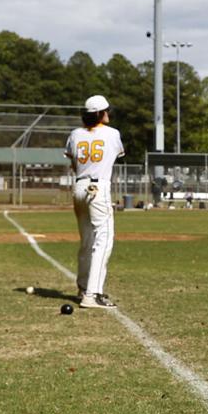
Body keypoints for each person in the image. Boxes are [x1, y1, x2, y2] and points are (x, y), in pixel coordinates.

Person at [65, 95, 124, 309]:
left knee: (87, 240)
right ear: (100, 114)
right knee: (103, 240)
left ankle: (83, 287)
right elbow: (115, 154)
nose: (108, 114)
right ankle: (93, 294)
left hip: (79, 186)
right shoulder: (112, 134)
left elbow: (73, 162)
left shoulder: (74, 134)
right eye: (105, 111)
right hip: (98, 188)